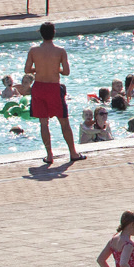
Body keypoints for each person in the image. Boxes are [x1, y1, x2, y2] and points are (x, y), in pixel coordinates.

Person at [24, 22, 84, 168]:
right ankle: (73, 152)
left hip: (38, 87)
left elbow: (27, 69)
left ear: (41, 33)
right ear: (54, 33)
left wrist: (37, 69)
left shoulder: (33, 50)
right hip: (53, 88)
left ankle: (49, 155)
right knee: (64, 121)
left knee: (43, 123)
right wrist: (56, 69)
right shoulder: (60, 51)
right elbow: (66, 72)